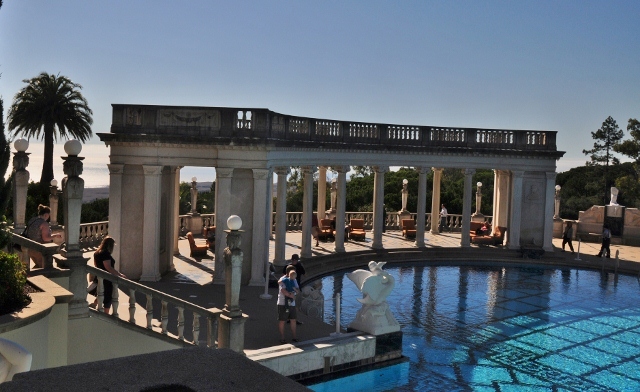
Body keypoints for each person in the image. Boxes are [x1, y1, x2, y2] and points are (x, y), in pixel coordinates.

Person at [89, 236, 127, 314]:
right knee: (108, 296)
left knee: (100, 292)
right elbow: (108, 268)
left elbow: (96, 266)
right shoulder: (105, 254)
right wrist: (120, 275)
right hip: (107, 279)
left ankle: (95, 304)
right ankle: (106, 313)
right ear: (110, 245)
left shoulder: (97, 253)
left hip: (99, 276)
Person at [277, 269, 299, 343]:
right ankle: (282, 338)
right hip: (283, 303)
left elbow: (297, 289)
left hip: (292, 303)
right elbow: (283, 290)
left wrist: (295, 291)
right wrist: (291, 295)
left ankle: (294, 337)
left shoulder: (294, 280)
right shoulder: (283, 280)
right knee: (282, 320)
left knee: (293, 319)